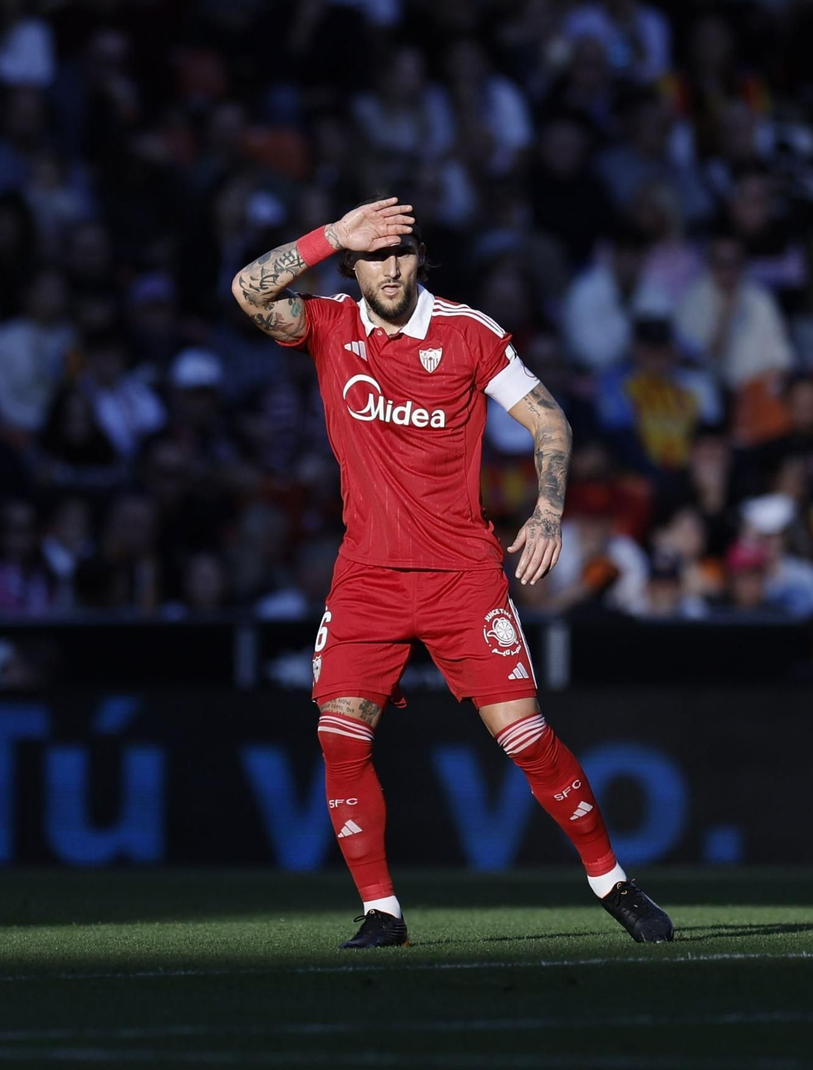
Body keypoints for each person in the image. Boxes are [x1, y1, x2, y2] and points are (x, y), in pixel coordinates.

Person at [231, 196, 672, 948]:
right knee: (341, 737)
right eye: (373, 255)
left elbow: (549, 418)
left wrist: (547, 510)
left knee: (526, 737)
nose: (391, 267)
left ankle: (613, 883)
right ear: (353, 265)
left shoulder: (469, 334)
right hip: (368, 575)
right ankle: (382, 912)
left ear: (420, 258)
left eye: (402, 253)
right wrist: (332, 233)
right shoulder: (332, 327)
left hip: (460, 574)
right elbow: (247, 291)